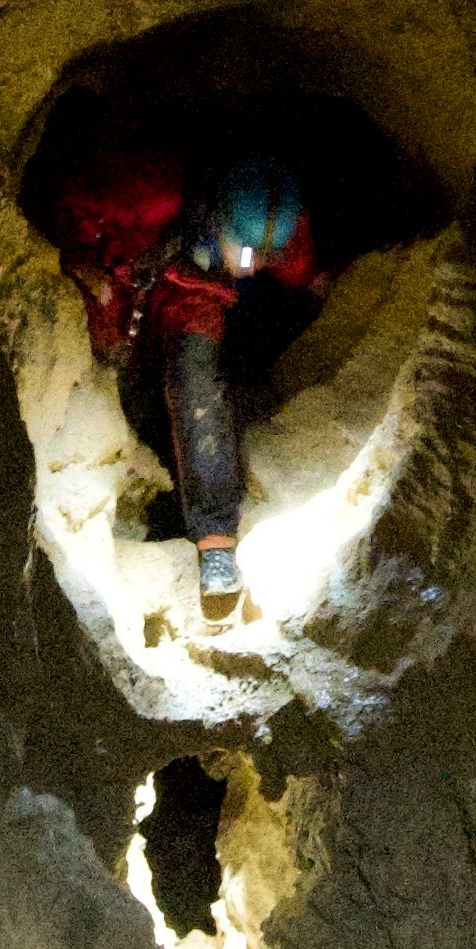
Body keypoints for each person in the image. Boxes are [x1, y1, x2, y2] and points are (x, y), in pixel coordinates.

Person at [54, 151, 323, 614]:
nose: (253, 268)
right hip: (128, 271)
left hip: (194, 292)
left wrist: (315, 285)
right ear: (217, 221)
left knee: (197, 383)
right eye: (247, 254)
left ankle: (215, 539)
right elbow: (62, 197)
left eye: (266, 257)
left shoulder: (278, 230)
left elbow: (296, 266)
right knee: (106, 358)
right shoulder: (149, 201)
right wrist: (72, 256)